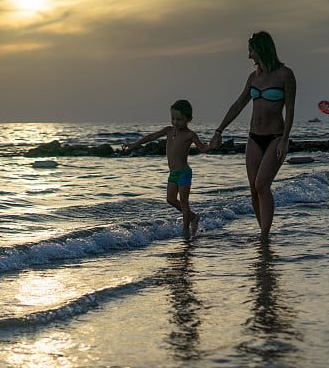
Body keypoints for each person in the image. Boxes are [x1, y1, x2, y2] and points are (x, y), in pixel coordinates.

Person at [209, 31, 296, 242]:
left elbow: (290, 111)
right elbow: (238, 105)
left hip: (275, 137)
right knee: (253, 189)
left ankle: (265, 235)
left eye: (251, 51)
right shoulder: (253, 78)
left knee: (262, 185)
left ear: (262, 49)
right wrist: (219, 131)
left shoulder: (285, 75)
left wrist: (284, 140)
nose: (249, 56)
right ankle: (263, 233)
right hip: (254, 137)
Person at [123, 99, 209, 239]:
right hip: (173, 174)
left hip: (184, 173)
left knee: (184, 203)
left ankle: (185, 231)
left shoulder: (190, 135)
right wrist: (134, 144)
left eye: (179, 119)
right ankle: (193, 217)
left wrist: (212, 145)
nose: (175, 122)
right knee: (170, 199)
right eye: (173, 118)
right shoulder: (168, 131)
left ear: (189, 119)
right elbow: (151, 137)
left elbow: (203, 148)